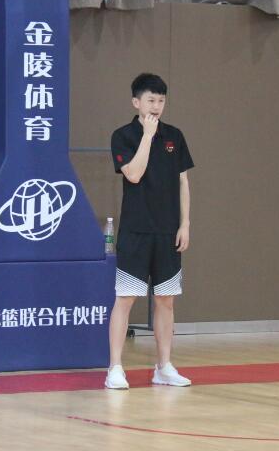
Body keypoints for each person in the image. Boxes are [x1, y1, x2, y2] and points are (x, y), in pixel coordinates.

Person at [105, 73, 194, 389]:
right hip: (136, 231)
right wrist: (147, 136)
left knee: (166, 300)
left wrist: (184, 224)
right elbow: (133, 174)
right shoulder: (123, 136)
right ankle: (115, 368)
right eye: (151, 100)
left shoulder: (175, 136)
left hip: (167, 232)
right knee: (126, 298)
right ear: (136, 102)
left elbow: (183, 181)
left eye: (161, 100)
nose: (156, 106)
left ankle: (164, 366)